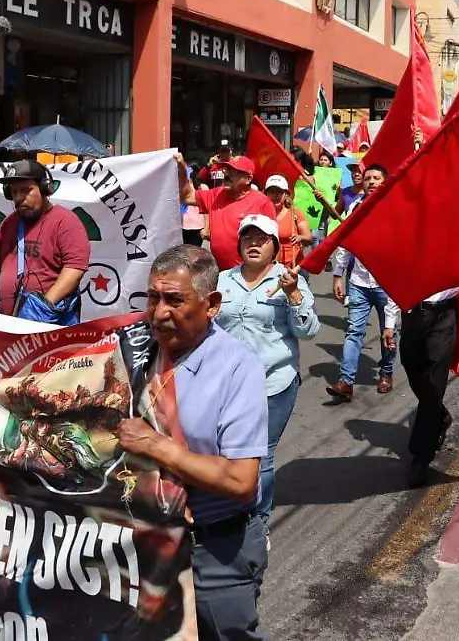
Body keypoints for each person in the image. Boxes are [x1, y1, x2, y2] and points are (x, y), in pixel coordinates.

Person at [115, 245, 268, 641]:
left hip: (215, 549)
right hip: (141, 546)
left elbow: (240, 480)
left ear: (212, 304)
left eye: (175, 300)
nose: (159, 312)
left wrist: (156, 447)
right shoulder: (133, 353)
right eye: (153, 297)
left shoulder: (238, 369)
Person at [215, 215, 319, 530]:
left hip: (273, 383)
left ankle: (258, 522)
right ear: (239, 244)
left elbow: (309, 331)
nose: (254, 244)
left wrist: (294, 297)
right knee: (224, 451)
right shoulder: (221, 281)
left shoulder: (290, 281)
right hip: (226, 385)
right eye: (248, 238)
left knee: (261, 455)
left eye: (262, 239)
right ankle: (226, 510)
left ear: (275, 246)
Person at [0, 159, 90, 320]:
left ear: (45, 188)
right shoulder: (11, 221)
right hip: (11, 323)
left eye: (25, 190)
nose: (19, 197)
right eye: (14, 192)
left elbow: (74, 269)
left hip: (49, 325)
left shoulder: (65, 221)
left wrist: (44, 307)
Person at [328, 165, 400, 401]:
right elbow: (345, 243)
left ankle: (386, 372)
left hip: (387, 284)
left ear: (385, 181)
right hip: (359, 282)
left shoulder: (397, 211)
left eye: (376, 178)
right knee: (353, 331)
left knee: (388, 331)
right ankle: (346, 382)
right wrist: (338, 275)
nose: (371, 181)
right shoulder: (355, 208)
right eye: (367, 178)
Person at [400, 283, 459, 487]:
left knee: (434, 384)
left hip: (445, 314)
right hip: (413, 312)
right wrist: (389, 322)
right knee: (411, 367)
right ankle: (440, 415)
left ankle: (421, 457)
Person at [179, 155, 276, 270]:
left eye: (233, 171)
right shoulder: (215, 195)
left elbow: (273, 242)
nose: (227, 173)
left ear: (248, 179)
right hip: (222, 274)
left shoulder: (263, 203)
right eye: (226, 169)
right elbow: (186, 197)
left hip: (251, 274)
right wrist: (182, 168)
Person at [262, 176, 311, 270]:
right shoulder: (260, 216)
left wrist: (300, 237)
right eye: (272, 192)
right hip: (268, 268)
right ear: (266, 194)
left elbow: (309, 237)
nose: (275, 195)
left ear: (286, 195)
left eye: (279, 192)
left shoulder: (296, 213)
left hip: (293, 267)